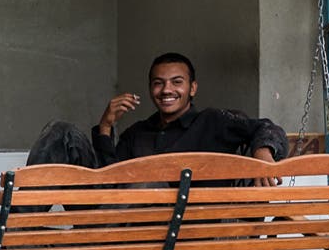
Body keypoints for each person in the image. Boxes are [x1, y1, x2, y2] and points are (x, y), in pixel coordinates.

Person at [93, 52, 288, 175]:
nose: (166, 90)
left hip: (191, 232)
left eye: (177, 82)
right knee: (65, 135)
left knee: (152, 185)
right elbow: (109, 182)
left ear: (192, 88)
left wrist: (263, 152)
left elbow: (267, 128)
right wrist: (105, 127)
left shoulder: (213, 122)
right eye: (158, 83)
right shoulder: (137, 133)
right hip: (133, 229)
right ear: (150, 88)